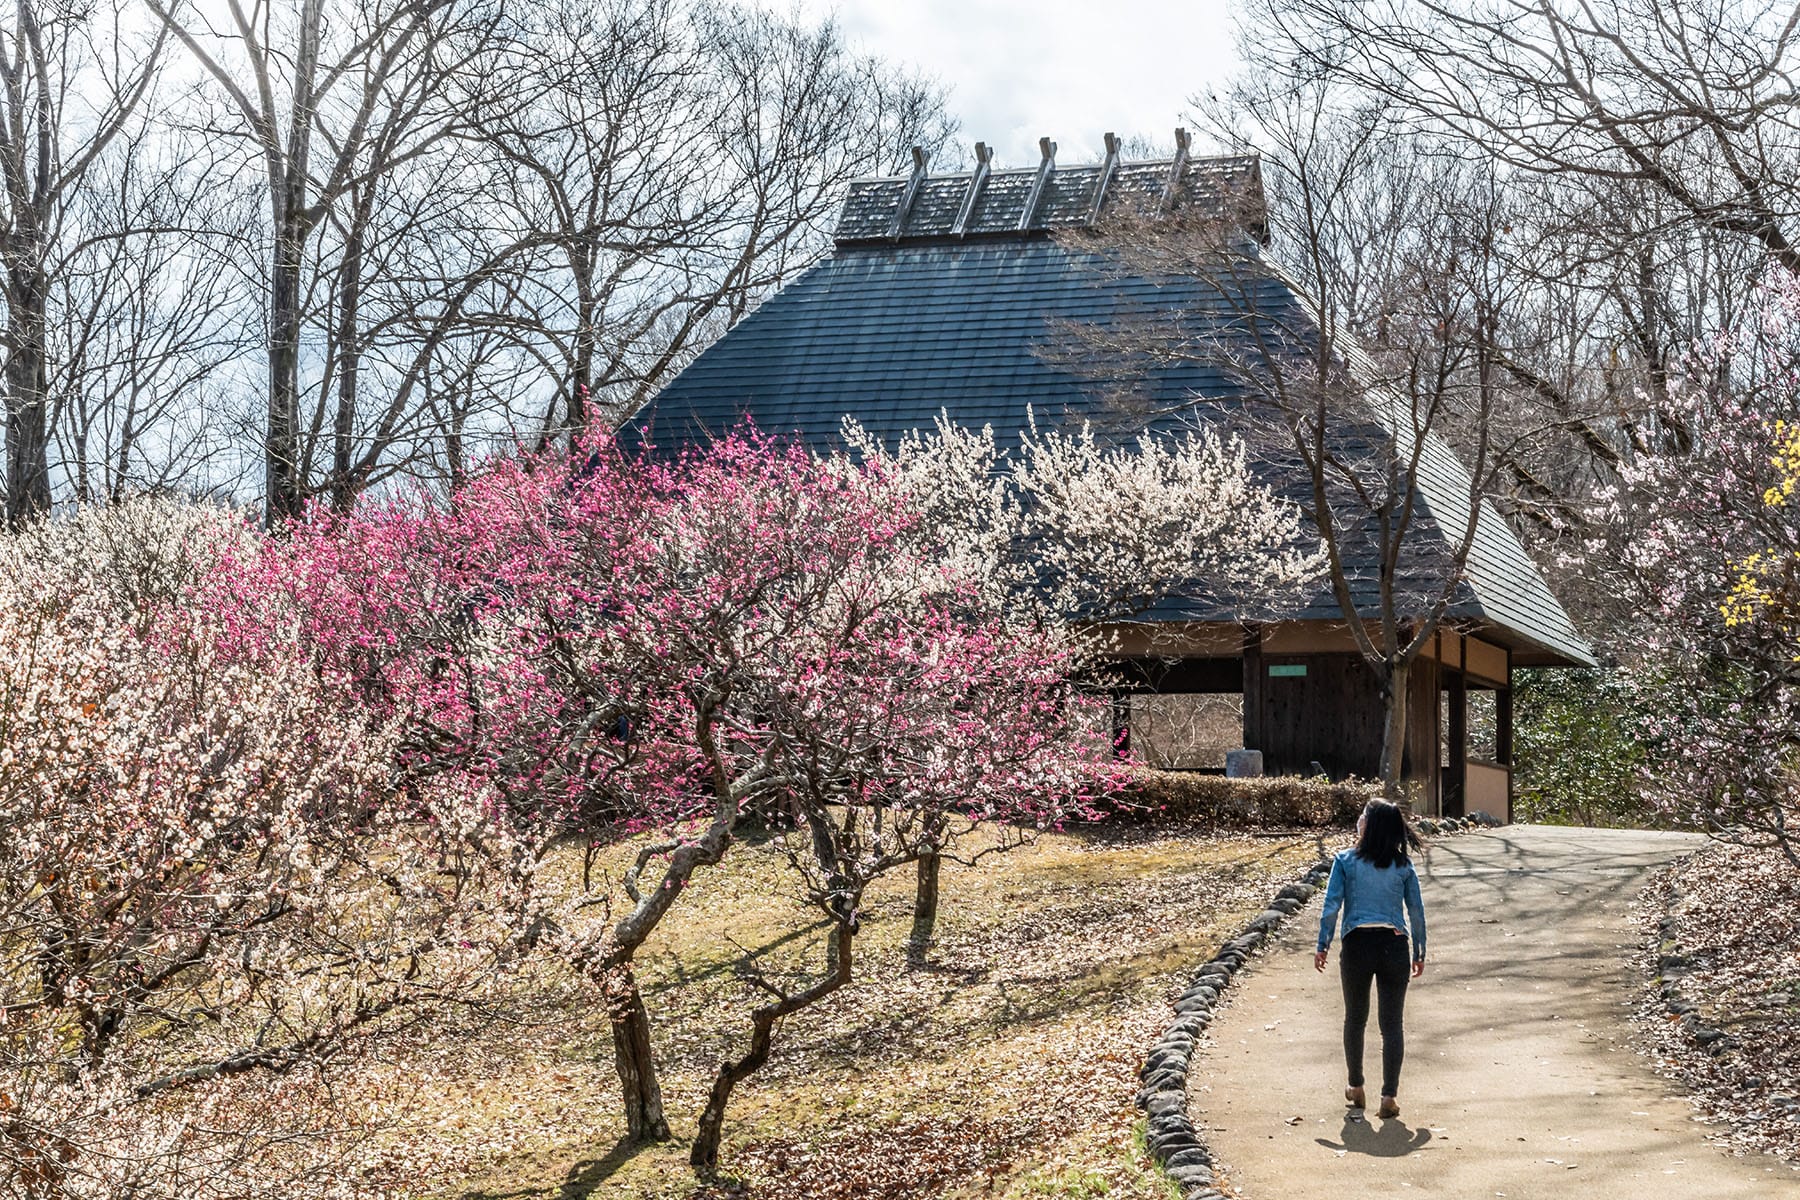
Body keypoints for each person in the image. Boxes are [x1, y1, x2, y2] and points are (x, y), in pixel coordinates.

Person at [1314, 799, 1426, 1120]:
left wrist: (1323, 944)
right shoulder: (1403, 866)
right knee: (1392, 1025)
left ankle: (1356, 1086)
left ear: (1370, 825)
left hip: (1357, 946)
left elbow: (1332, 905)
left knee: (1356, 1018)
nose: (1358, 819)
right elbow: (1416, 911)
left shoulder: (1345, 861)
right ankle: (1389, 1096)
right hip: (1395, 946)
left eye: (1363, 815)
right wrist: (1420, 949)